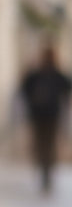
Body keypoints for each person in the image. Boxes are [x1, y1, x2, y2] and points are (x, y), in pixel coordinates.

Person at [20, 45, 71, 192]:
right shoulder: (38, 75)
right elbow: (25, 88)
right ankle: (44, 172)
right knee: (42, 145)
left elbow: (66, 88)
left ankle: (46, 173)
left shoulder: (53, 74)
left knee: (47, 145)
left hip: (50, 116)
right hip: (40, 115)